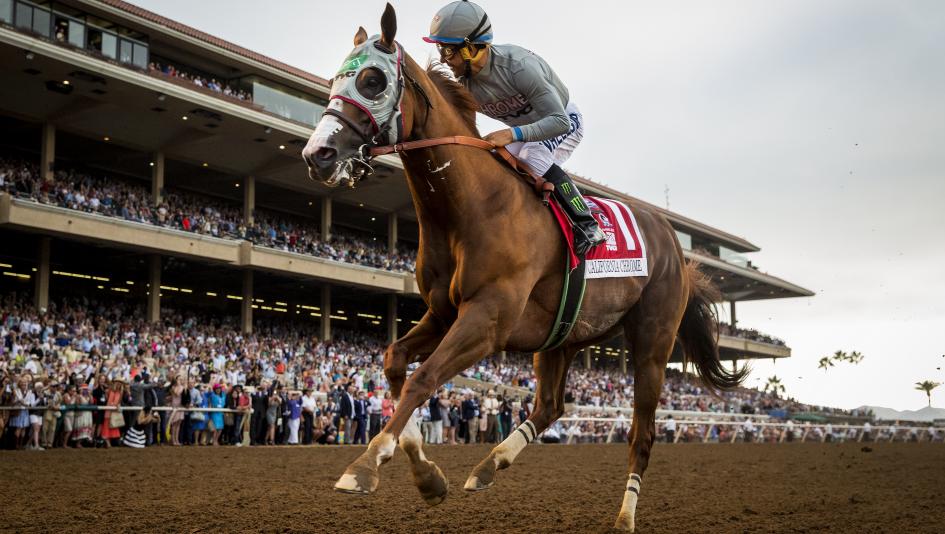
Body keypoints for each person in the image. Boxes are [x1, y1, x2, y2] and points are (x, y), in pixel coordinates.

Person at [424, 0, 605, 255]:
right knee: (495, 161)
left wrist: (511, 133)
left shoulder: (519, 67)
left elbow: (559, 121)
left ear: (470, 48)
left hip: (563, 120)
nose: (444, 59)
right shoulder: (465, 83)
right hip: (528, 130)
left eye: (448, 51)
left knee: (533, 155)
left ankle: (587, 223)